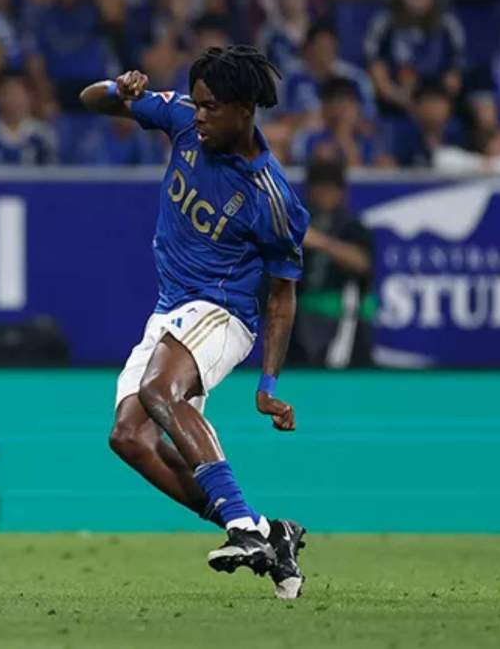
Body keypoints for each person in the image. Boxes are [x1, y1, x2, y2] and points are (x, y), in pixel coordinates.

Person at [80, 45, 311, 599]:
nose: (199, 115)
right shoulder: (182, 119)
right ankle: (262, 531)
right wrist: (120, 89)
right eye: (198, 104)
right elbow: (88, 101)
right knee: (129, 437)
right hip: (171, 308)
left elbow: (281, 296)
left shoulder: (272, 199)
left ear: (245, 109)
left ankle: (239, 526)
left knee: (160, 391)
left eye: (212, 107)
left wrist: (268, 384)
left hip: (224, 311)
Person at [289, 159, 375, 368]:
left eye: (330, 189)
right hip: (301, 316)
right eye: (318, 188)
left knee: (340, 367)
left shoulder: (351, 226)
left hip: (343, 316)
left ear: (341, 192)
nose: (324, 195)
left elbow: (361, 262)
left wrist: (322, 243)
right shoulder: (298, 222)